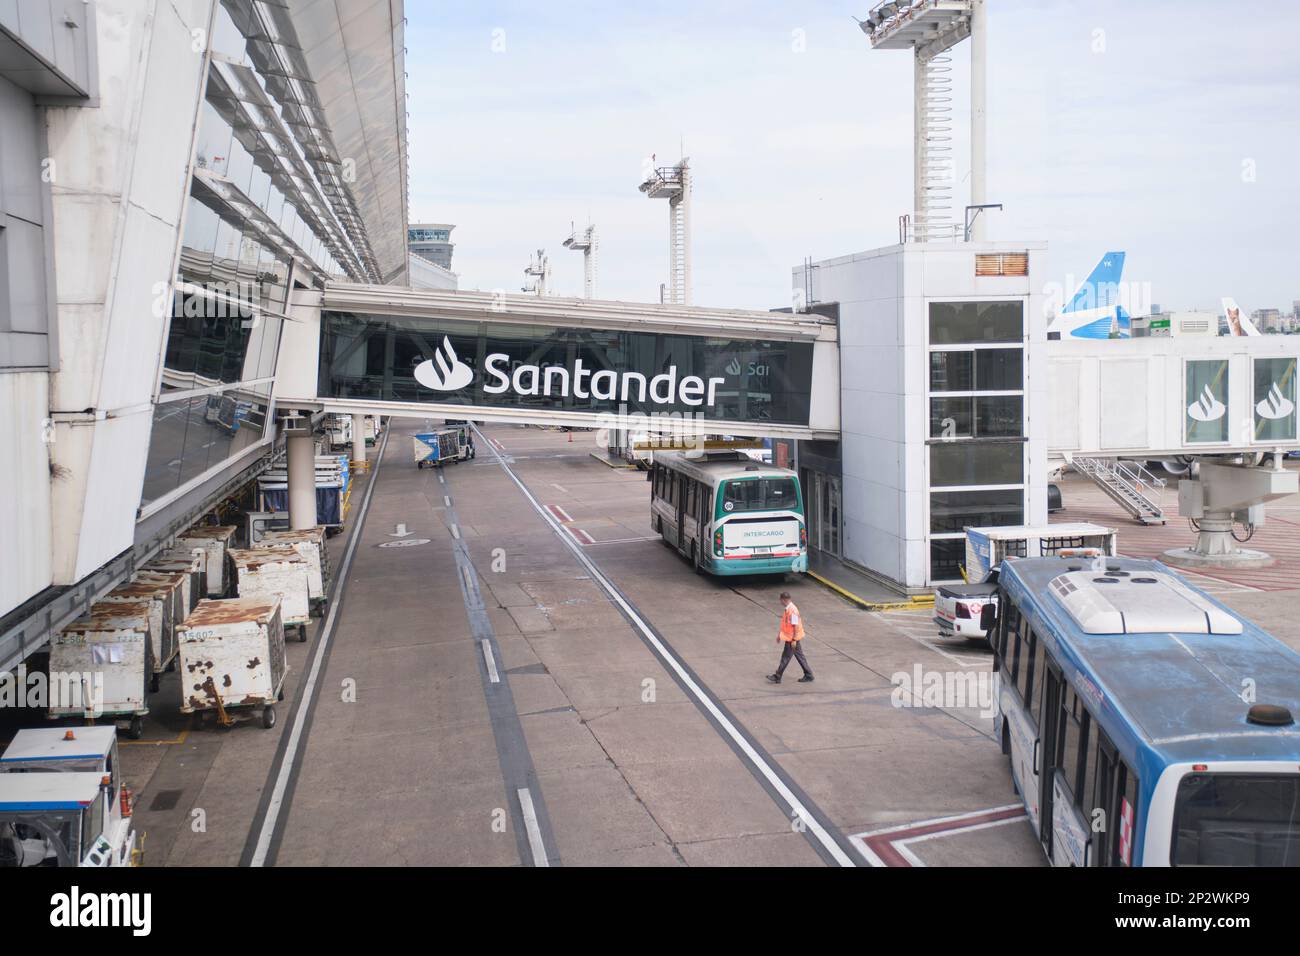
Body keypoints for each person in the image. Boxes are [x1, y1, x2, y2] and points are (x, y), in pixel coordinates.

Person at [767, 591, 813, 684]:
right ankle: (809, 675)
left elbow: (795, 626)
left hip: (792, 639)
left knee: (785, 657)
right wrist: (780, 635)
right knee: (799, 656)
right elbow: (785, 624)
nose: (780, 602)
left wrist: (794, 640)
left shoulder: (792, 611)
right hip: (790, 637)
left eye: (780, 600)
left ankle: (777, 676)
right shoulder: (788, 609)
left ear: (784, 600)